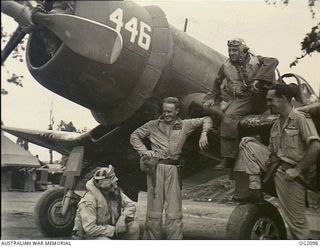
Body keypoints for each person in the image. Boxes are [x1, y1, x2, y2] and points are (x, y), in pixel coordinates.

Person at [233, 84, 320, 239]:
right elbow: (273, 152)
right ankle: (255, 188)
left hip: (291, 177)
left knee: (297, 226)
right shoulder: (276, 124)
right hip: (275, 168)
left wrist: (298, 170)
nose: (268, 103)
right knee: (247, 143)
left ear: (283, 99)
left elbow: (315, 146)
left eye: (271, 100)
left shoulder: (300, 118)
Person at [130, 96, 212, 239]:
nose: (166, 114)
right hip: (156, 169)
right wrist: (144, 151)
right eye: (164, 111)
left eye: (170, 112)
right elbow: (134, 136)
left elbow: (207, 119)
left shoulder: (185, 125)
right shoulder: (152, 125)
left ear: (177, 111)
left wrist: (204, 134)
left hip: (174, 169)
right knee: (154, 212)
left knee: (174, 212)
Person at [203, 38, 279, 170]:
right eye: (230, 50)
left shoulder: (258, 60)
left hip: (264, 97)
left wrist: (258, 79)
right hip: (245, 98)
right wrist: (210, 97)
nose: (231, 53)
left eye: (235, 50)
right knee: (228, 118)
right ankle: (228, 157)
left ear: (244, 50)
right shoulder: (226, 66)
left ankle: (277, 154)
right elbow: (217, 81)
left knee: (279, 118)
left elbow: (273, 61)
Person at [72, 165, 140, 240]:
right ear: (104, 184)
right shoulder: (89, 201)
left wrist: (122, 218)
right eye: (112, 179)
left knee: (134, 227)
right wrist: (113, 230)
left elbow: (131, 205)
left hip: (109, 230)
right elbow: (90, 229)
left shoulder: (115, 192)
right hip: (91, 235)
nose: (116, 180)